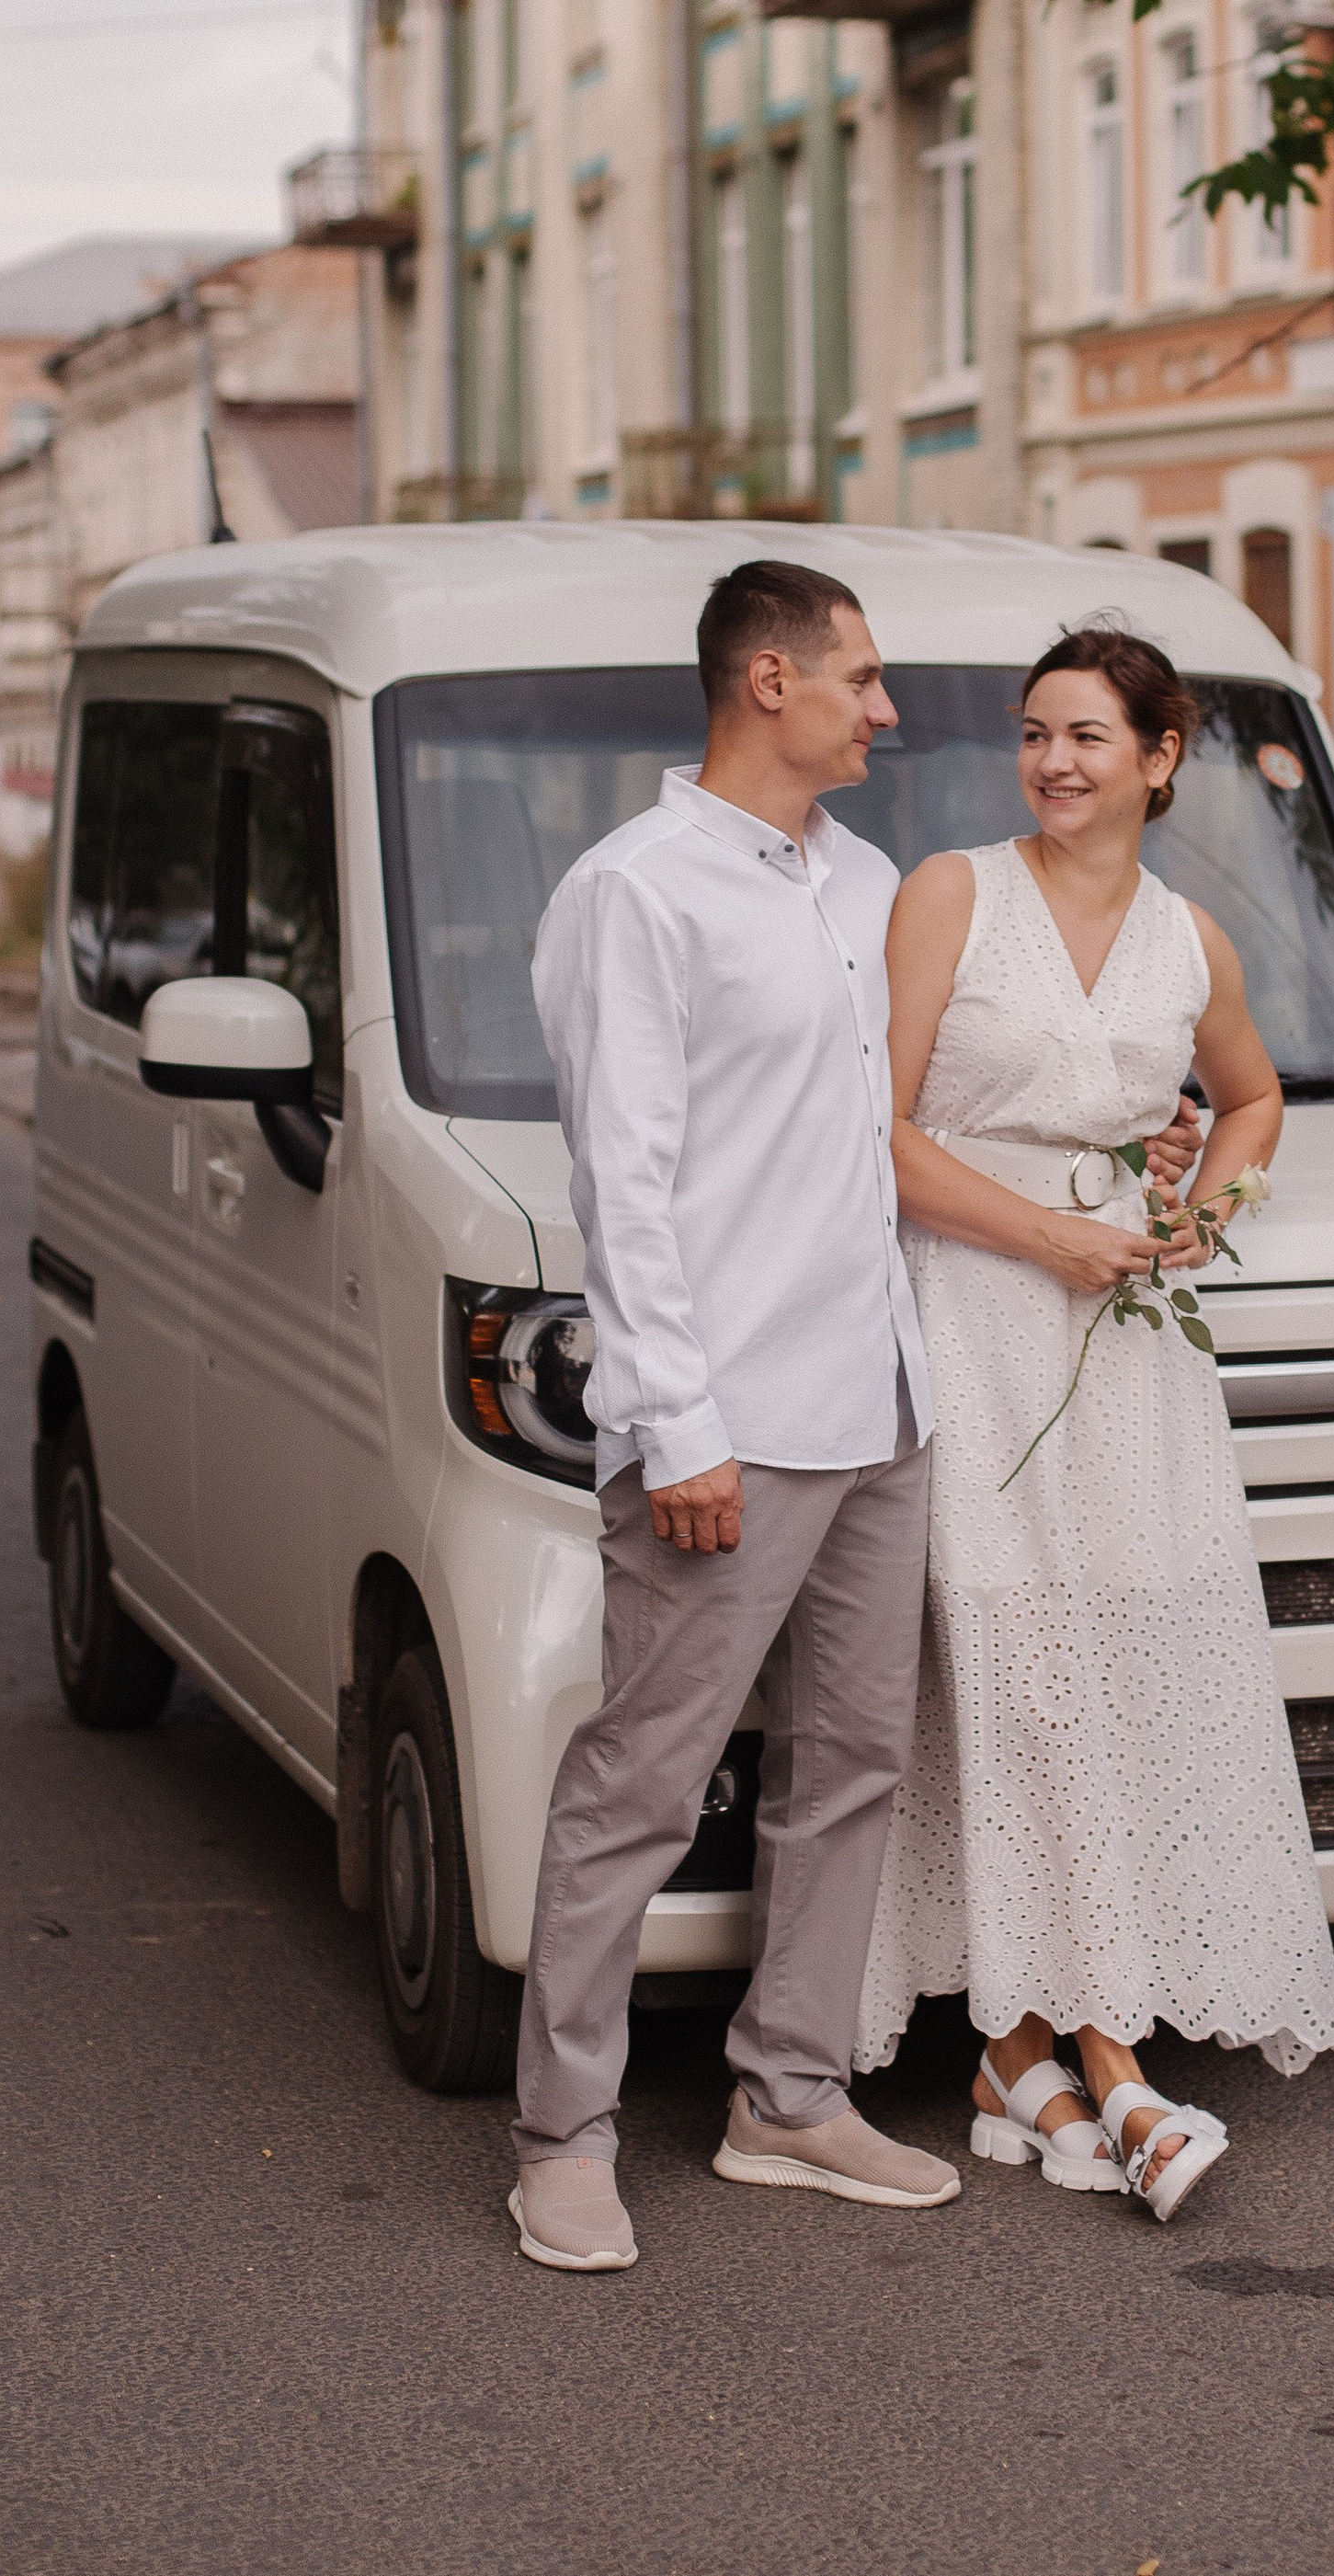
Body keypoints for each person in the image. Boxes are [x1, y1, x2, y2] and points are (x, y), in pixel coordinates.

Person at [855, 625, 1334, 2220]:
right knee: (1014, 1669)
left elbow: (1254, 1097)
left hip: (1127, 1349)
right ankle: (1113, 2067)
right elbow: (877, 1130)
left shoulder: (1192, 938)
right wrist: (1046, 1235)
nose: (1053, 761)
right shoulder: (951, 893)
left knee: (1124, 1668)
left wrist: (1206, 1210)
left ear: (1159, 755)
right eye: (1034, 732)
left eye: (1086, 735)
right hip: (975, 1314)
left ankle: (1018, 2059)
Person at [508, 556, 959, 2272]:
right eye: (864, 676)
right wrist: (676, 1420)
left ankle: (788, 2092)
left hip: (878, 1399)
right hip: (730, 1421)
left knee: (851, 1763)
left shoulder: (867, 881)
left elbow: (888, 1134)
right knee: (643, 1776)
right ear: (771, 680)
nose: (887, 708)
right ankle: (562, 2135)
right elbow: (620, 1181)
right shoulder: (634, 891)